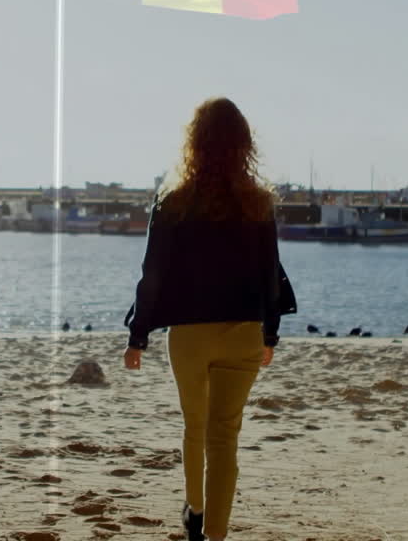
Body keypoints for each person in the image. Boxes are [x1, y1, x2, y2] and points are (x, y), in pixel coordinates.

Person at [123, 97, 289, 541]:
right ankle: (216, 535)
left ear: (194, 143)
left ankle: (195, 511)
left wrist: (138, 337)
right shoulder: (258, 203)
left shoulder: (173, 201)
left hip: (190, 336)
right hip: (244, 333)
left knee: (194, 427)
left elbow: (152, 273)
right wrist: (271, 334)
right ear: (244, 145)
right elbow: (270, 275)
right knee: (225, 437)